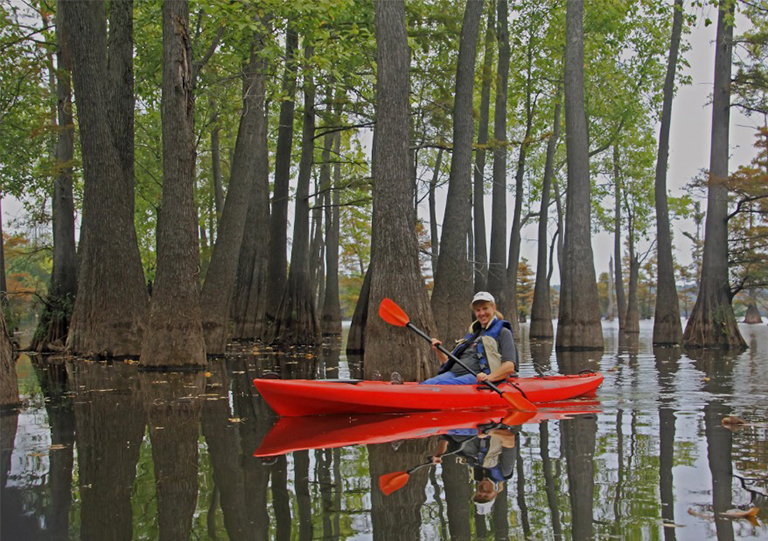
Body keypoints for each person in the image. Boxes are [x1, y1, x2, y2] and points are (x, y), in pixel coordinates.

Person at [421, 291, 518, 385]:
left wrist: (489, 377)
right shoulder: (473, 335)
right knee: (426, 385)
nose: (482, 313)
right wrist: (438, 350)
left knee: (439, 387)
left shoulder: (504, 332)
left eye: (485, 308)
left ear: (493, 308)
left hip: (475, 376)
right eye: (478, 310)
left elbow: (509, 366)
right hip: (453, 374)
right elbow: (448, 362)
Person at [430, 419, 520, 516]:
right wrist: (488, 432)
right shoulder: (504, 472)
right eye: (486, 496)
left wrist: (439, 453)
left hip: (461, 430)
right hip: (490, 426)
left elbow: (445, 439)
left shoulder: (475, 471)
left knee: (461, 449)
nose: (483, 493)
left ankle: (451, 421)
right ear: (494, 494)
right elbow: (510, 440)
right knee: (473, 452)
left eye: (479, 495)